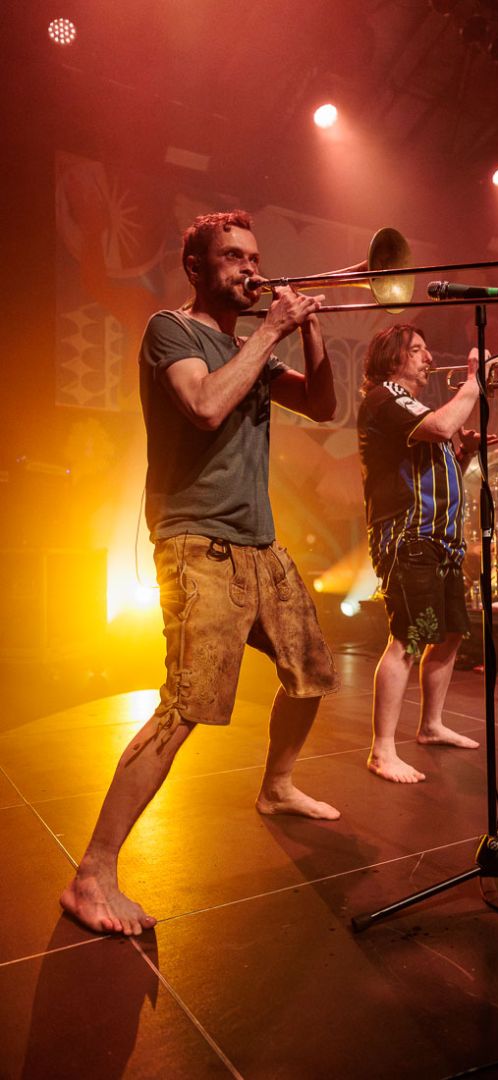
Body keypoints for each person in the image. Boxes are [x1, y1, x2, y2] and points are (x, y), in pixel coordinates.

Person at [61, 210, 344, 936]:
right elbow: (205, 406)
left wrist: (311, 328)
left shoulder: (250, 346)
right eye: (233, 256)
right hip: (197, 543)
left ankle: (277, 786)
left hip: (260, 544)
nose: (251, 268)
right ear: (196, 268)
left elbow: (322, 406)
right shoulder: (172, 330)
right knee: (183, 707)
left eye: (255, 256)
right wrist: (273, 330)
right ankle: (93, 872)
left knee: (312, 670)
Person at [357, 325, 498, 783]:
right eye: (415, 350)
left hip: (441, 540)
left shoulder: (413, 407)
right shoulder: (384, 398)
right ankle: (382, 750)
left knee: (451, 633)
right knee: (409, 639)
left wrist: (466, 454)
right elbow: (441, 427)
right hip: (409, 536)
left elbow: (436, 469)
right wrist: (474, 380)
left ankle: (431, 725)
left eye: (425, 348)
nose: (428, 357)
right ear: (391, 359)